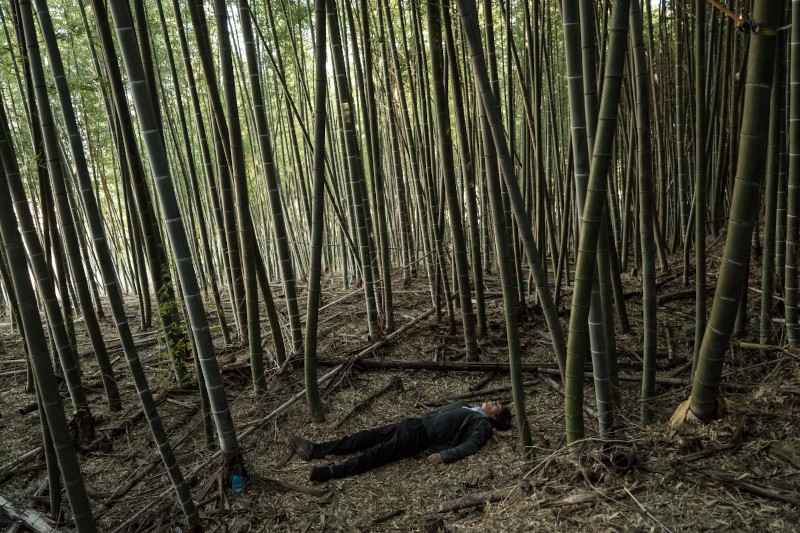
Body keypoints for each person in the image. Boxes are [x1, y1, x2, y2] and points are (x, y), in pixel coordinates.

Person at [288, 400, 513, 482]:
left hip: (420, 437)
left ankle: (328, 473)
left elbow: (470, 446)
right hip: (413, 424)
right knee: (363, 437)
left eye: (496, 406)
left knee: (375, 454)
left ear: (494, 416)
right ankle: (314, 450)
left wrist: (444, 455)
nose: (492, 402)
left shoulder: (482, 424)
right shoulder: (469, 405)